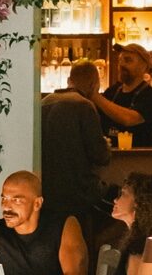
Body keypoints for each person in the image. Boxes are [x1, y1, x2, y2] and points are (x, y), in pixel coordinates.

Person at [40, 61, 112, 214]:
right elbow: (100, 156)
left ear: (69, 81)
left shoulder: (43, 103)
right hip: (78, 192)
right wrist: (106, 144)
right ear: (94, 85)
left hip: (45, 190)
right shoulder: (84, 105)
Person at [93, 43, 152, 147]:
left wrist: (94, 95)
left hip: (138, 159)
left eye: (128, 60)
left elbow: (129, 119)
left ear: (143, 66)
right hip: (111, 158)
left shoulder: (151, 96)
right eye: (120, 60)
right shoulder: (111, 92)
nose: (121, 65)